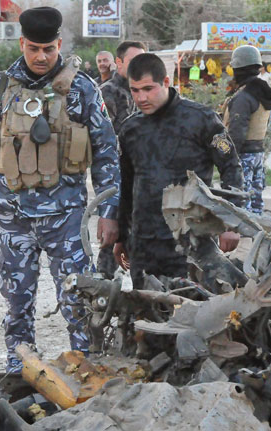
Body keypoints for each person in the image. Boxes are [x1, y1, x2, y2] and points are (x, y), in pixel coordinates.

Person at [0, 7, 120, 372]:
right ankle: (20, 369)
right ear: (22, 43)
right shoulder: (0, 87)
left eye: (48, 49)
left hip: (66, 219)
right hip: (13, 218)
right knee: (16, 302)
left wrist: (109, 212)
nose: (41, 56)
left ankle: (86, 370)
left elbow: (107, 152)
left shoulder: (82, 88)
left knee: (78, 302)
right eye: (33, 48)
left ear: (59, 44)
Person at [112, 53, 244, 286]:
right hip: (144, 242)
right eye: (135, 90)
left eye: (148, 89)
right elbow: (126, 186)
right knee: (142, 309)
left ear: (165, 82)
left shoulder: (201, 120)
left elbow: (231, 167)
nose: (141, 97)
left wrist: (231, 223)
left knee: (192, 308)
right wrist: (121, 236)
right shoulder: (130, 129)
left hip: (191, 242)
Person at [97, 41, 146, 278]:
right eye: (133, 60)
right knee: (113, 235)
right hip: (117, 176)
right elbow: (106, 139)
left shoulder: (143, 89)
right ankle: (102, 291)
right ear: (119, 63)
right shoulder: (108, 92)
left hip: (142, 175)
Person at [223, 46, 271, 215]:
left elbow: (237, 132)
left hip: (244, 155)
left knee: (240, 205)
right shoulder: (262, 91)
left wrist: (228, 158)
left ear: (239, 69)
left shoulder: (244, 96)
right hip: (258, 154)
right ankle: (256, 237)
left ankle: (245, 240)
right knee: (255, 204)